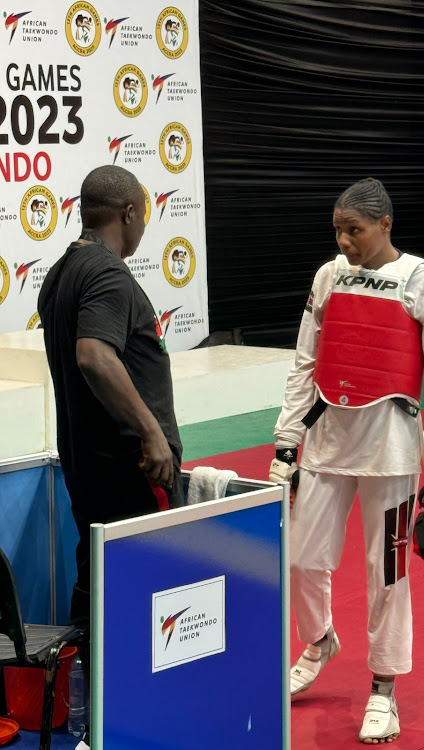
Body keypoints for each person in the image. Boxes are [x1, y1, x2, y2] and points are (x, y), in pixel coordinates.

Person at [269, 178, 424, 744]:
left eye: (353, 229)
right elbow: (305, 363)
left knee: (389, 576)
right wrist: (286, 445)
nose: (344, 239)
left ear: (386, 225)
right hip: (328, 445)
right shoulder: (328, 276)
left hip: (394, 455)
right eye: (338, 229)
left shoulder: (423, 282)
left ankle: (384, 688)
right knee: (303, 560)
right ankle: (321, 638)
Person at [38, 166, 183, 747]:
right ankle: (130, 720)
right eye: (143, 214)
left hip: (88, 465)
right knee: (144, 596)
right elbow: (95, 356)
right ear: (128, 213)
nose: (144, 224)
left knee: (95, 586)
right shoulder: (108, 274)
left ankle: (91, 720)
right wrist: (151, 433)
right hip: (130, 468)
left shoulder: (60, 274)